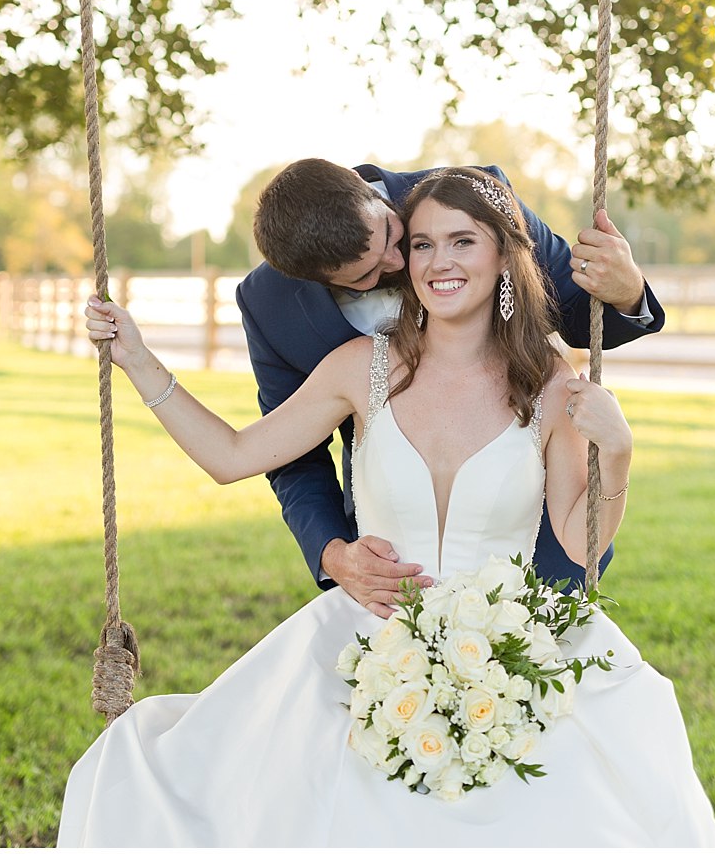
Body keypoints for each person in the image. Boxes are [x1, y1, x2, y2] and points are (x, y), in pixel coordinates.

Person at [59, 168, 715, 846]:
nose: (430, 262)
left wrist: (620, 457)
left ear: (502, 253)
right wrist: (137, 361)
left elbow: (579, 551)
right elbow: (231, 455)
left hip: (508, 640)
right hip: (367, 632)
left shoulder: (550, 383)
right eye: (426, 245)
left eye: (462, 241)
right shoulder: (358, 367)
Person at [237, 159, 664, 616]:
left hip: (540, 534)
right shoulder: (269, 305)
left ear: (374, 196)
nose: (399, 264)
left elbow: (577, 309)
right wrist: (333, 553)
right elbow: (290, 456)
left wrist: (626, 290)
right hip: (396, 555)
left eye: (393, 237)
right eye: (363, 278)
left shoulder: (473, 198)